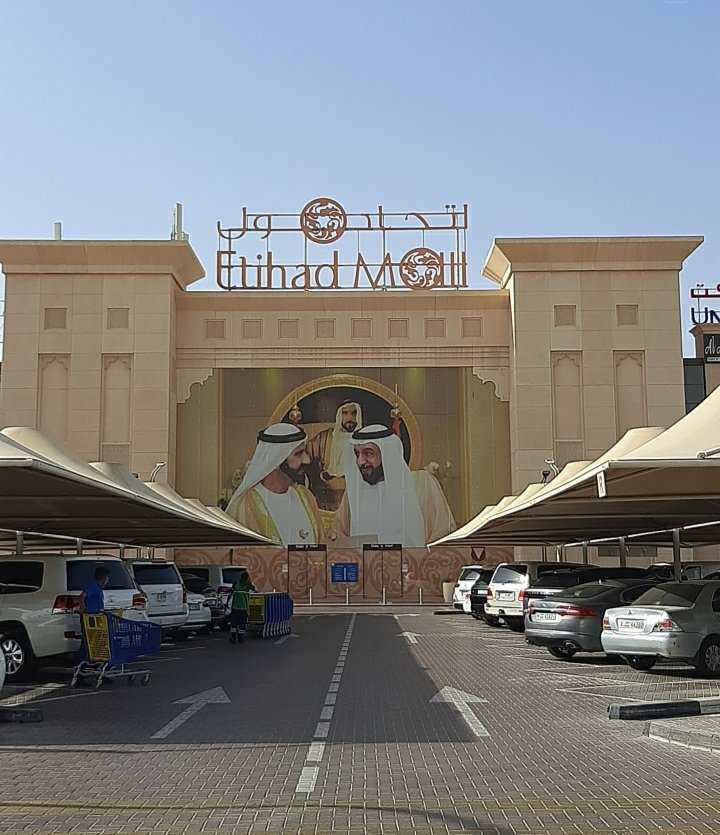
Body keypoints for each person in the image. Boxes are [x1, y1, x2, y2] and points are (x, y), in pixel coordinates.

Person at [332, 424, 456, 547]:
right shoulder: (355, 492)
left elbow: (443, 537)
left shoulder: (422, 484)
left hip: (416, 565)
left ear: (388, 454)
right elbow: (339, 537)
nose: (360, 462)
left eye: (368, 453)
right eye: (357, 454)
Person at [225, 423, 323, 545]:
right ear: (276, 460)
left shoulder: (306, 497)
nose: (306, 460)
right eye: (298, 454)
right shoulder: (247, 504)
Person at [307, 401, 363, 511]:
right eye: (345, 413)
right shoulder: (325, 437)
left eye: (353, 413)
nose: (349, 417)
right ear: (339, 415)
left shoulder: (365, 441)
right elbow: (306, 458)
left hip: (356, 495)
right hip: (326, 496)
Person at [229, 569, 256, 644]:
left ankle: (233, 637)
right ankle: (241, 638)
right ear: (247, 578)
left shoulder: (235, 583)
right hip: (243, 607)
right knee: (242, 623)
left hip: (235, 607)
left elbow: (231, 592)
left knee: (234, 623)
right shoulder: (248, 585)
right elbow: (255, 590)